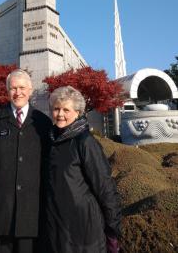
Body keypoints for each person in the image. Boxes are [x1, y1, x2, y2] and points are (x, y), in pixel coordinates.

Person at [0, 69, 52, 253]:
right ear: (7, 91)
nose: (18, 92)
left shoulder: (43, 123)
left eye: (22, 87)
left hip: (31, 217)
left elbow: (50, 170)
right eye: (13, 88)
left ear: (31, 90)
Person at [43, 85, 122, 253]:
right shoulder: (51, 140)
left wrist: (113, 229)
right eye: (56, 109)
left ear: (78, 113)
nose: (60, 114)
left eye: (66, 110)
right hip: (57, 227)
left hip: (84, 229)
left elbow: (105, 187)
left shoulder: (85, 142)